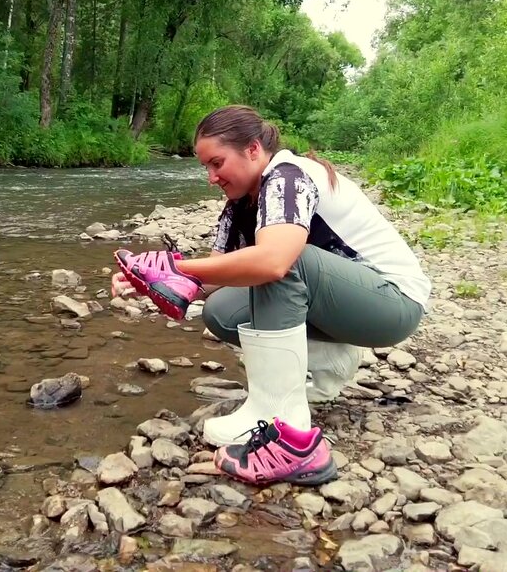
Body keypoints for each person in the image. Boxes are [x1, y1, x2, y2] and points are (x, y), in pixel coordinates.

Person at [112, 104, 430, 483]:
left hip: (393, 302)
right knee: (221, 311)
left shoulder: (289, 176)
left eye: (217, 163)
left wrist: (176, 266)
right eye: (205, 168)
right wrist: (151, 279)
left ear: (252, 150)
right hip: (346, 305)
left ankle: (289, 435)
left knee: (280, 263)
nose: (211, 177)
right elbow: (216, 278)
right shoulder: (240, 204)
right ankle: (327, 365)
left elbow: (276, 262)